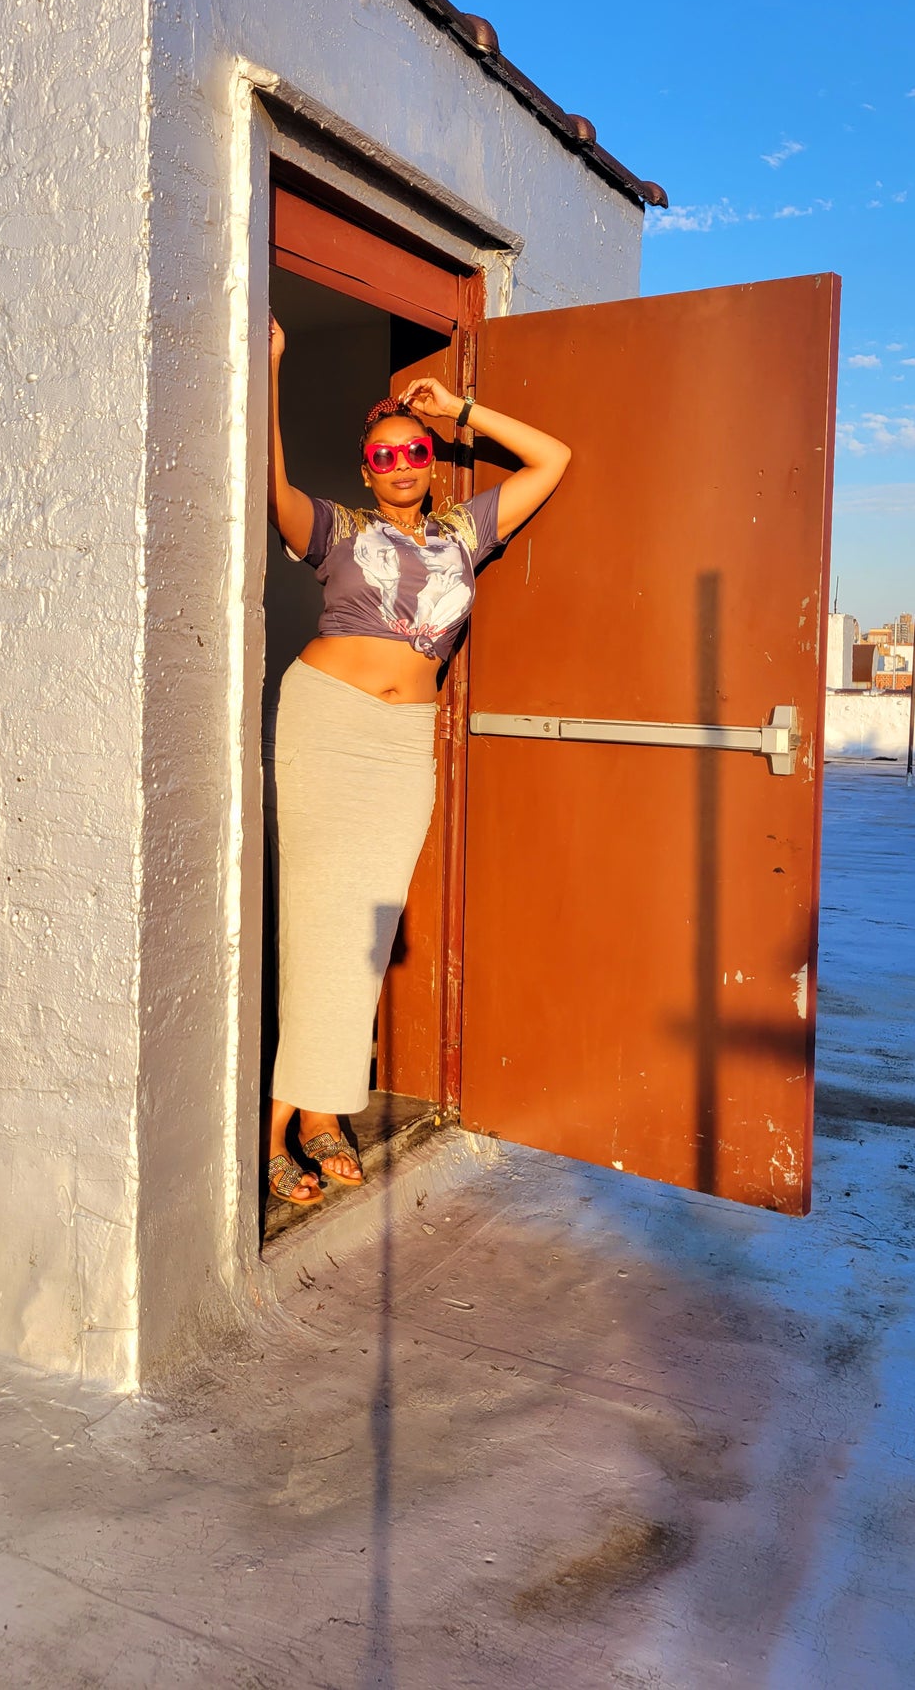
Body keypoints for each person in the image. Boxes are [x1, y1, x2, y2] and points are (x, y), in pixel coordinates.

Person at [265, 314, 571, 1207]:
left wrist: (459, 409)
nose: (400, 465)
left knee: (363, 929)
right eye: (385, 456)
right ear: (367, 471)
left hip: (404, 744)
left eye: (413, 452)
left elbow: (552, 460)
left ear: (429, 462)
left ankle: (322, 1113)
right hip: (327, 722)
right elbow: (268, 481)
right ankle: (277, 1124)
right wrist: (271, 367)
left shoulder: (464, 533)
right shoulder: (332, 529)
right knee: (318, 917)